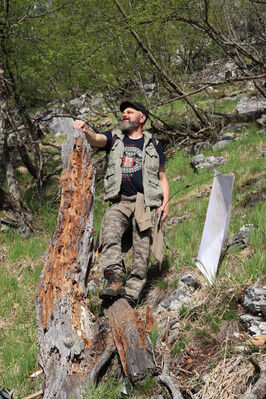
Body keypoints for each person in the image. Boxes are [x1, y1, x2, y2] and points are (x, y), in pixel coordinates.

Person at [73, 101, 169, 306]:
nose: (124, 115)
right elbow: (95, 139)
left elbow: (162, 177)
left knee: (142, 253)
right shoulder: (114, 137)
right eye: (123, 112)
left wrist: (165, 204)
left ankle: (130, 296)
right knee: (109, 231)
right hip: (121, 202)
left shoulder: (154, 144)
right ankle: (114, 278)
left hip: (146, 203)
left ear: (142, 118)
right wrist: (84, 130)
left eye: (129, 112)